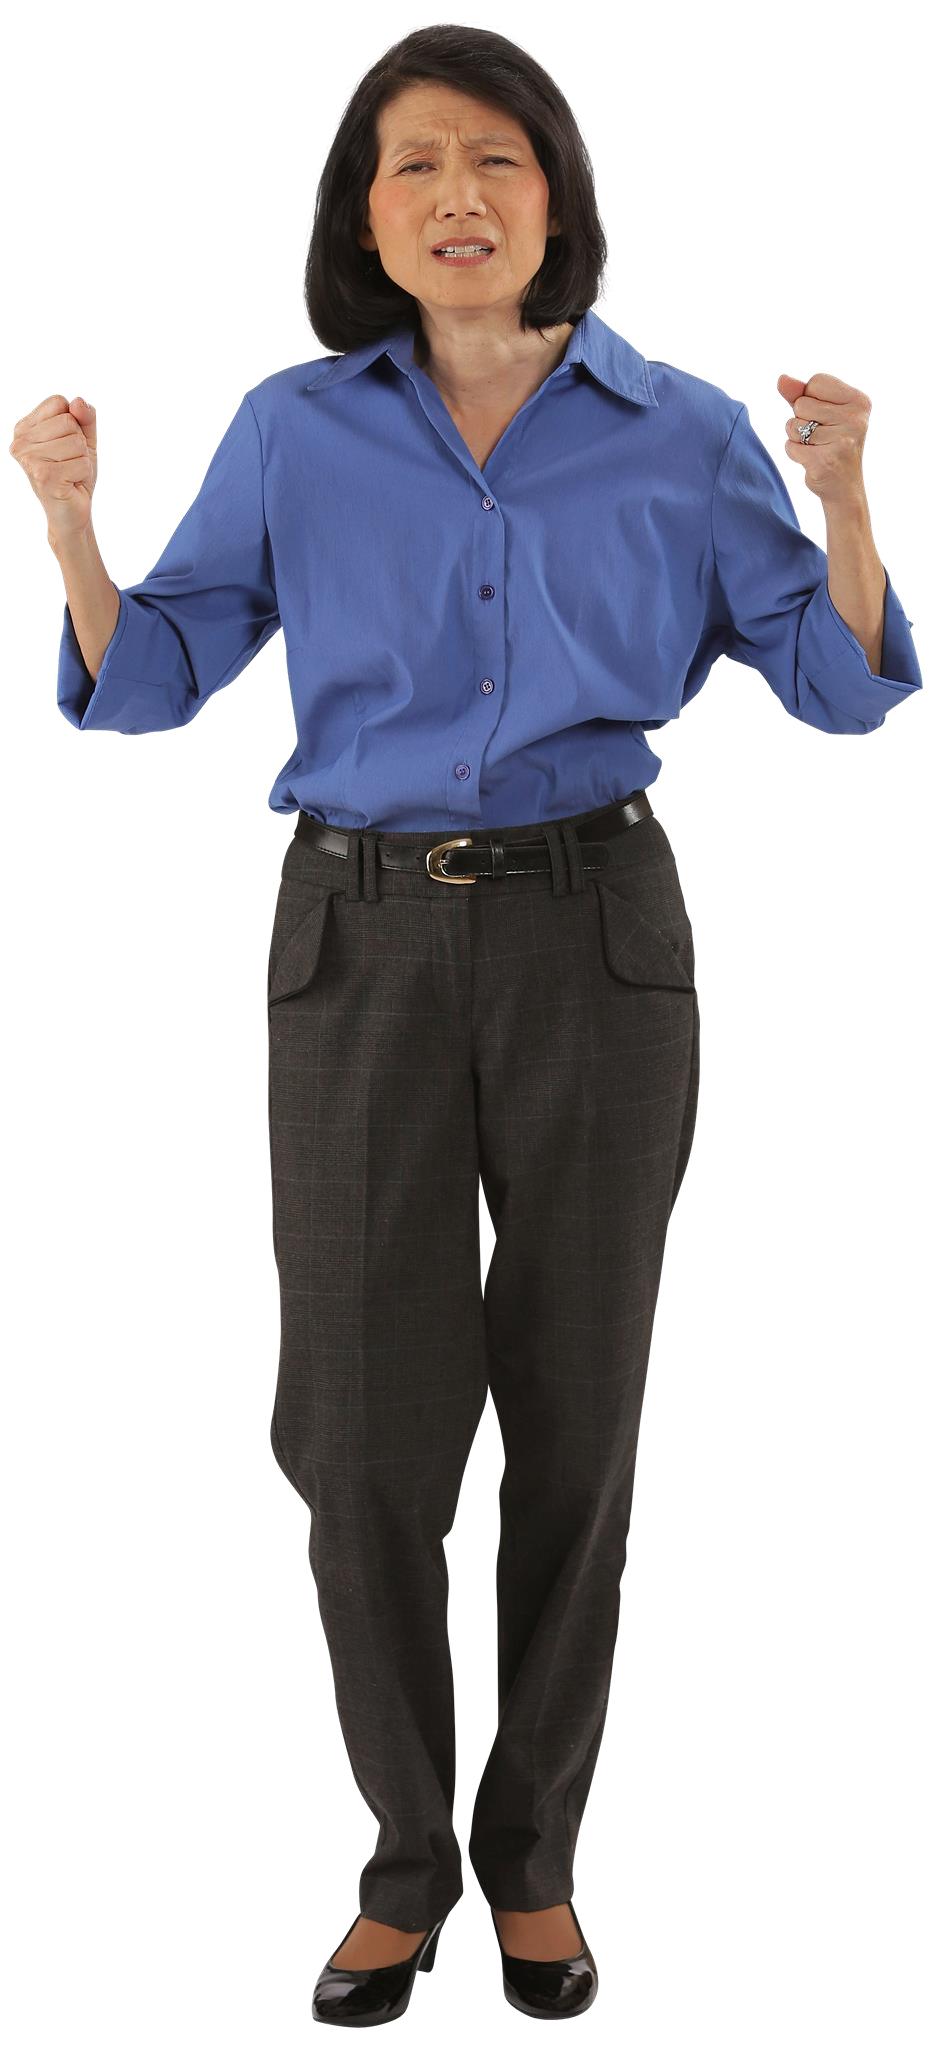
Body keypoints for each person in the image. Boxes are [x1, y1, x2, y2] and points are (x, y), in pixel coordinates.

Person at [15, 25, 921, 2031]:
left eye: (496, 161)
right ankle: (402, 1860)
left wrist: (847, 494)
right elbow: (151, 681)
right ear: (363, 216)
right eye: (414, 164)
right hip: (351, 940)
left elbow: (837, 685)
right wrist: (73, 522)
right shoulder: (291, 429)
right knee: (354, 1438)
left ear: (559, 198)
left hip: (600, 932)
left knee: (578, 1424)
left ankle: (534, 1862)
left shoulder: (683, 427)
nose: (456, 197)